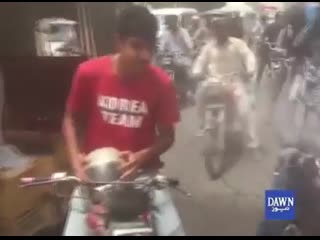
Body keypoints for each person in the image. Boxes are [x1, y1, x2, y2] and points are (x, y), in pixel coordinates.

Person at [62, 5, 184, 236]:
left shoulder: (162, 84)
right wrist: (77, 165)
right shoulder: (88, 73)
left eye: (150, 47)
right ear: (119, 41)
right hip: (95, 179)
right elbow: (70, 119)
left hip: (142, 178)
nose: (145, 55)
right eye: (136, 46)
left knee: (174, 231)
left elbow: (168, 137)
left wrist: (141, 156)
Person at [192, 17, 259, 149]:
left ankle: (252, 141)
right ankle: (202, 123)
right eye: (217, 29)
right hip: (214, 81)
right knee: (200, 94)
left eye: (223, 29)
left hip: (234, 81)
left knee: (244, 110)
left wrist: (250, 69)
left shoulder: (237, 44)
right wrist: (197, 72)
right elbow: (200, 60)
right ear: (213, 31)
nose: (220, 32)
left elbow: (248, 56)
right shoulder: (208, 47)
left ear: (227, 30)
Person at [256, 12, 285, 85]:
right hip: (268, 48)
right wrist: (263, 41)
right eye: (281, 18)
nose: (282, 20)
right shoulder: (270, 26)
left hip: (280, 50)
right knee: (262, 63)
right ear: (277, 18)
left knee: (285, 63)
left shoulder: (284, 28)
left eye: (283, 19)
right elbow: (263, 36)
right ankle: (257, 81)